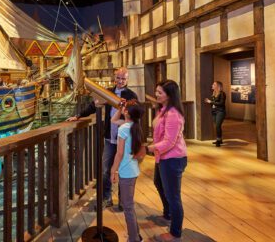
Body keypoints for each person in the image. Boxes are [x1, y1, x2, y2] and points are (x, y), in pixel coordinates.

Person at [67, 67, 138, 210]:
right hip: (109, 137)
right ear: (114, 78)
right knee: (105, 169)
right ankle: (107, 198)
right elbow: (93, 106)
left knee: (123, 170)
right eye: (118, 78)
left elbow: (137, 115)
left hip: (124, 139)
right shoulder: (108, 93)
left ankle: (124, 200)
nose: (120, 81)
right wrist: (78, 116)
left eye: (123, 78)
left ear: (127, 79)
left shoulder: (131, 95)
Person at [147, 80, 187, 242]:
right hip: (163, 157)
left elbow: (169, 142)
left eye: (160, 93)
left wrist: (149, 148)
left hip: (173, 159)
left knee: (173, 195)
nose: (156, 94)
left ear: (169, 96)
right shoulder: (163, 109)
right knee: (158, 182)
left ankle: (175, 232)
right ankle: (168, 214)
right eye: (156, 91)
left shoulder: (173, 115)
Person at [111, 100, 145, 242]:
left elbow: (119, 154)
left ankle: (134, 239)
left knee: (128, 207)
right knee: (129, 205)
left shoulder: (124, 128)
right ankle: (136, 235)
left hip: (126, 171)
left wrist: (113, 171)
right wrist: (121, 108)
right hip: (133, 170)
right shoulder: (133, 126)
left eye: (124, 108)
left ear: (127, 112)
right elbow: (113, 120)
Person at [204, 81, 226, 147]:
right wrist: (210, 102)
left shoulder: (222, 94)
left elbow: (221, 103)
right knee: (217, 126)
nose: (212, 85)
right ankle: (220, 139)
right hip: (214, 112)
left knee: (217, 126)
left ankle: (218, 140)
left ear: (218, 86)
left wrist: (210, 101)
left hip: (220, 112)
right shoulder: (214, 93)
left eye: (214, 84)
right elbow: (214, 103)